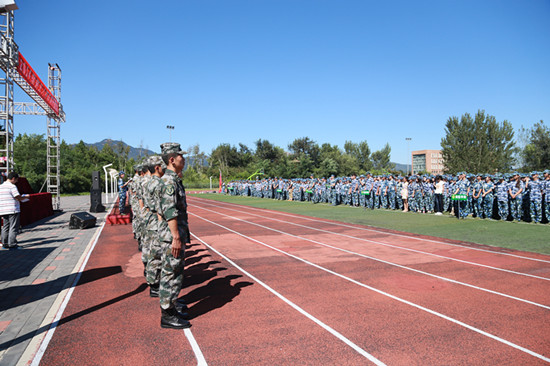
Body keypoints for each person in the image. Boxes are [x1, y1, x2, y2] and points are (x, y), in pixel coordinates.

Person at [157, 142, 191, 329]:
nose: (183, 159)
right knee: (171, 273)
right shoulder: (169, 182)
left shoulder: (173, 179)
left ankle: (171, 306)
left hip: (174, 233)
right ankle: (167, 314)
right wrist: (176, 237)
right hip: (172, 236)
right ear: (172, 159)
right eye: (181, 156)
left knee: (174, 272)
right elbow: (169, 211)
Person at [0, 172, 29, 249]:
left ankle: (4, 244)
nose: (17, 181)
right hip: (13, 209)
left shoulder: (1, 186)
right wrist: (25, 197)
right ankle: (12, 244)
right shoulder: (12, 186)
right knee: (13, 227)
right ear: (13, 179)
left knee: (5, 227)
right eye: (16, 180)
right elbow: (18, 197)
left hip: (3, 210)